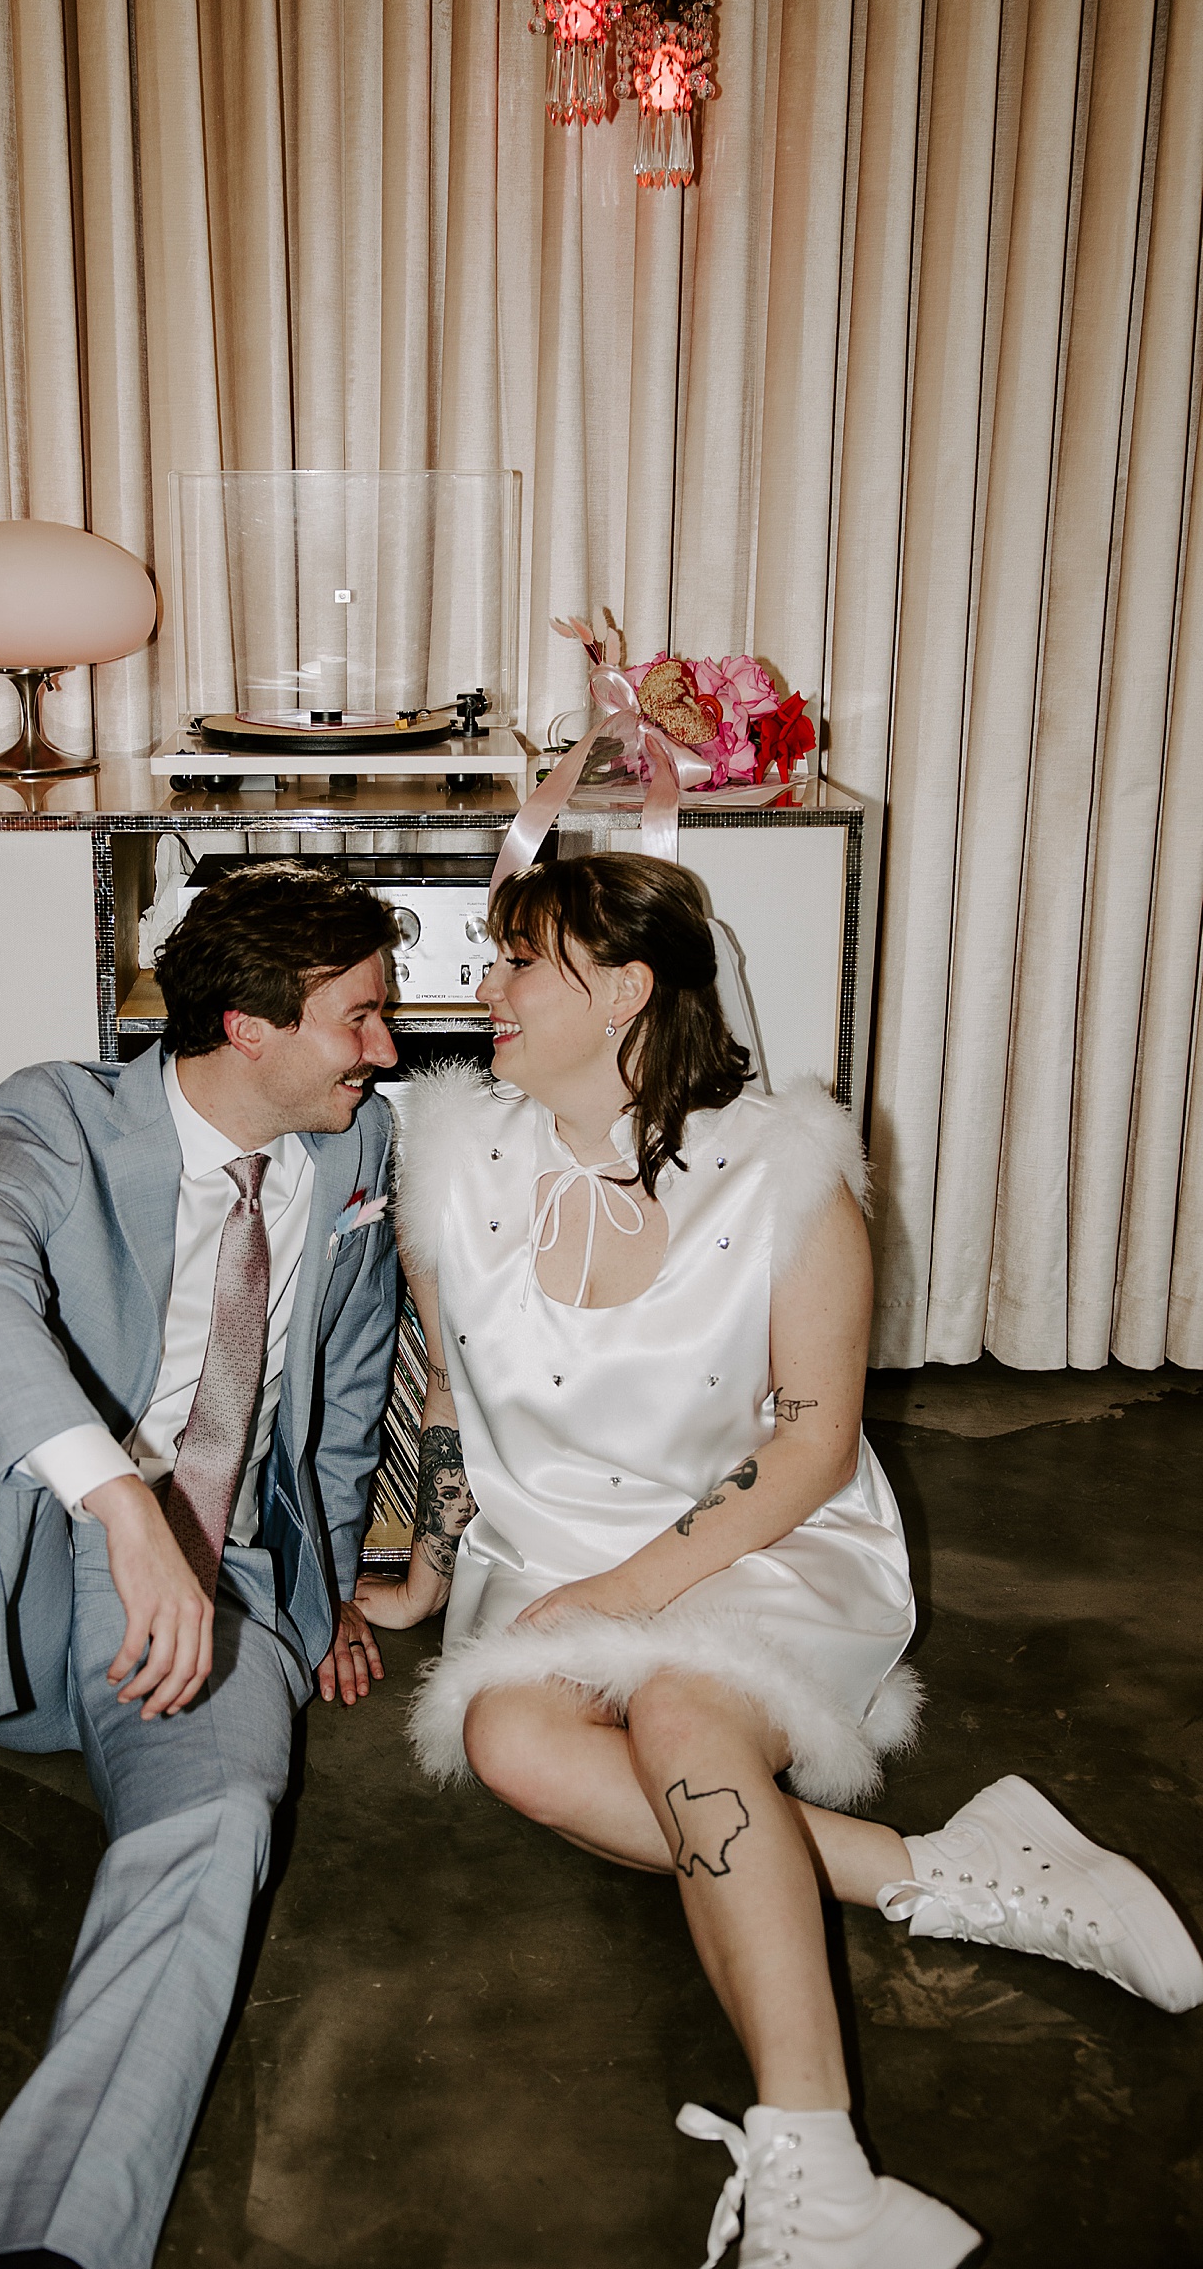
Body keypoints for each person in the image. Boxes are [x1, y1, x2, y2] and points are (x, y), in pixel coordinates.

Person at [358, 855, 1202, 2269]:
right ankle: (955, 1872)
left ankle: (819, 2168)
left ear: (624, 989)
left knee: (686, 1712)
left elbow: (812, 1443)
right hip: (545, 1547)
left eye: (518, 964)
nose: (483, 990)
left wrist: (630, 1598)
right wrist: (436, 1576)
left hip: (761, 1538)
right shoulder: (452, 1162)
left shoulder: (787, 1170)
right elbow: (446, 1397)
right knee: (513, 1743)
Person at [0, 861, 401, 2269]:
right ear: (249, 1028)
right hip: (25, 1574)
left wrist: (317, 1594)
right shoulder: (56, 1114)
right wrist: (121, 1506)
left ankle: (54, 2235)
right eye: (362, 1018)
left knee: (219, 1835)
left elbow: (350, 1386)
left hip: (223, 1591)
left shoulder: (359, 1146)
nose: (388, 1049)